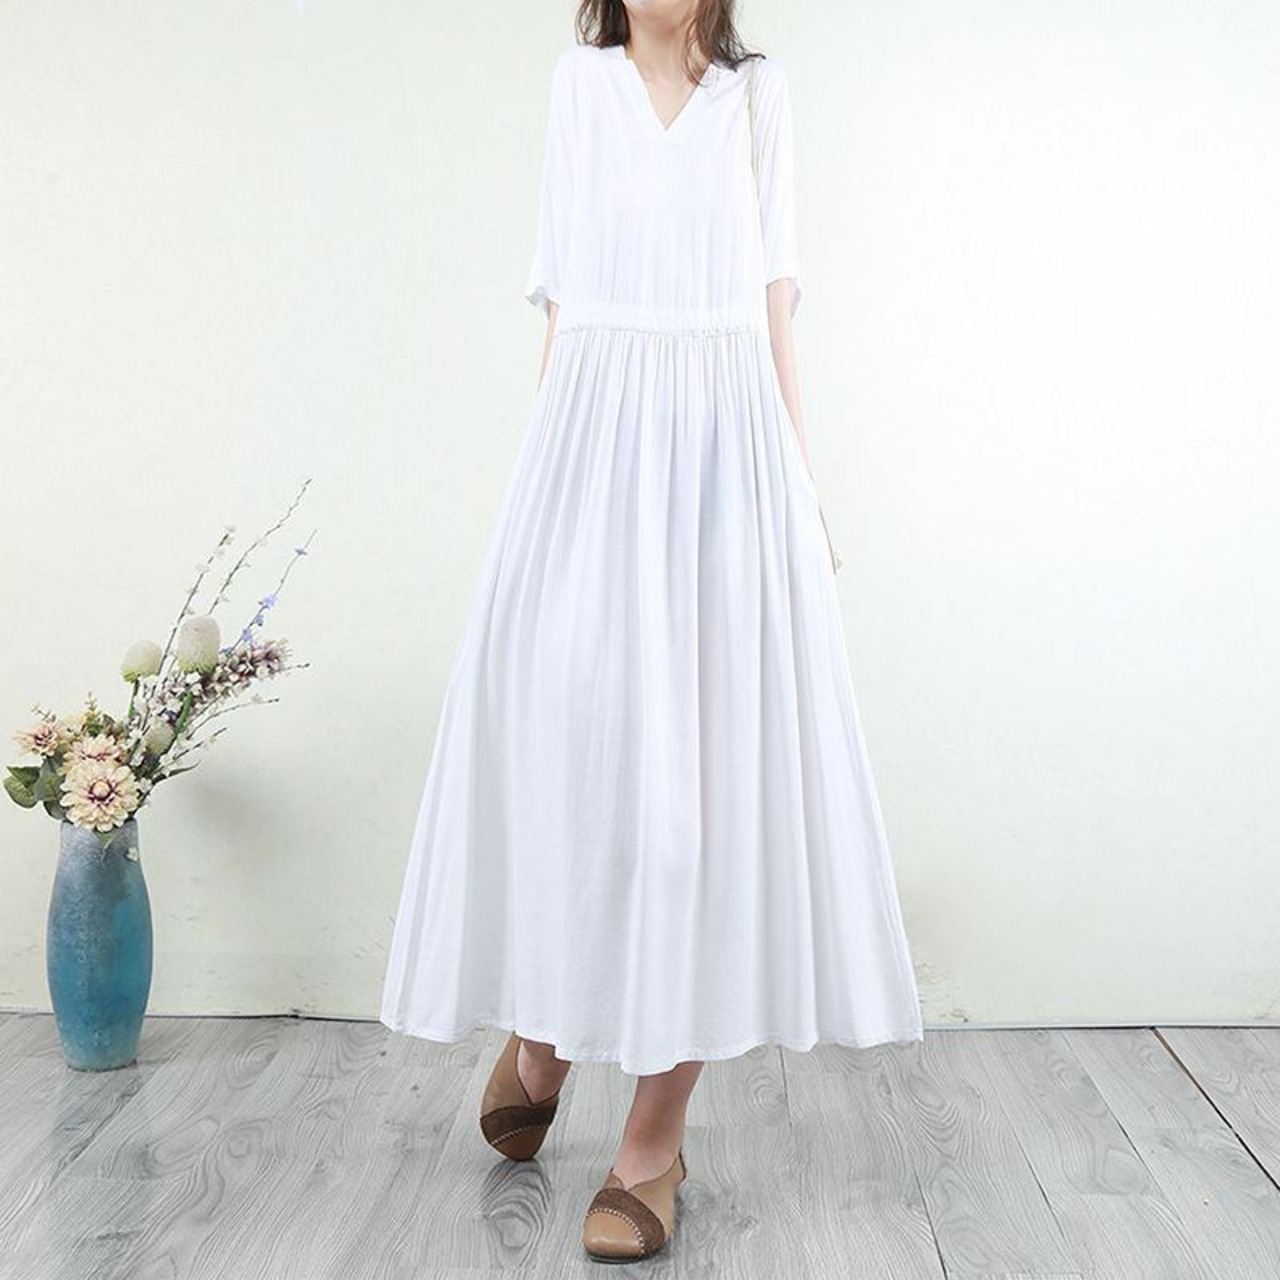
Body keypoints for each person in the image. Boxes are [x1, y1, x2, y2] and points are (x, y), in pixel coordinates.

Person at [381, 0, 925, 1262]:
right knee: (577, 763)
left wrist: (799, 488)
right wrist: (539, 499)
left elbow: (775, 304)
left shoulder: (757, 97)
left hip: (725, 459)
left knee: (698, 805)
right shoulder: (576, 89)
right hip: (593, 445)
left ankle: (653, 1136)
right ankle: (545, 1031)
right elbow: (562, 306)